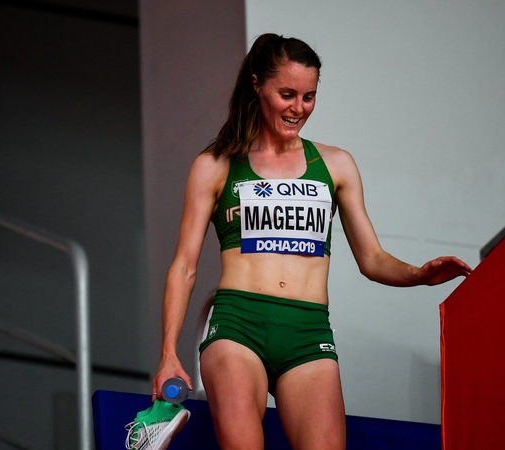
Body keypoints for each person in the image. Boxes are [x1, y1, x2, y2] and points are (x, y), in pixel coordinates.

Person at [151, 33, 472, 450]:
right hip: (237, 326)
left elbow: (372, 258)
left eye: (309, 97)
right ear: (256, 85)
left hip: (308, 333)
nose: (298, 108)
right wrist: (168, 353)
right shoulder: (215, 165)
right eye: (287, 94)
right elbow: (184, 266)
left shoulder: (336, 164)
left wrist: (419, 274)